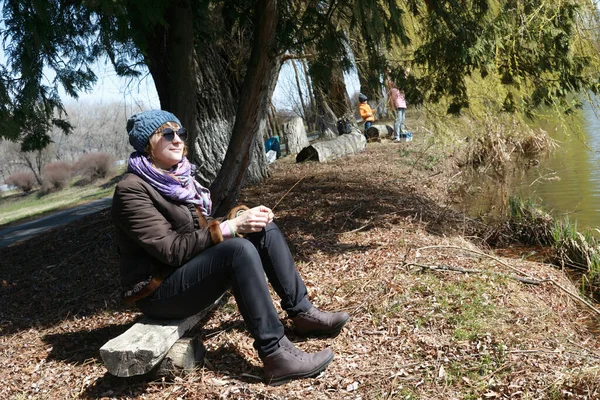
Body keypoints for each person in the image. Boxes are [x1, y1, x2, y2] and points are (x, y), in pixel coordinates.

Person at [111, 110, 350, 386]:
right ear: (147, 145)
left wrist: (239, 220)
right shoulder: (132, 189)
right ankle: (276, 355)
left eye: (180, 133)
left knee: (263, 228)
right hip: (159, 290)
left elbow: (198, 231)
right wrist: (229, 229)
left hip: (184, 272)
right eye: (166, 134)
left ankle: (302, 313)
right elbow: (171, 250)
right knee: (237, 250)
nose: (177, 140)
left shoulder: (177, 178)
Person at [387, 68, 412, 142]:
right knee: (398, 120)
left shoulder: (401, 89)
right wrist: (392, 106)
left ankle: (402, 135)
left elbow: (405, 81)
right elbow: (390, 82)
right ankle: (396, 136)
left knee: (402, 120)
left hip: (402, 105)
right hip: (397, 106)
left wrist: (406, 73)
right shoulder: (393, 90)